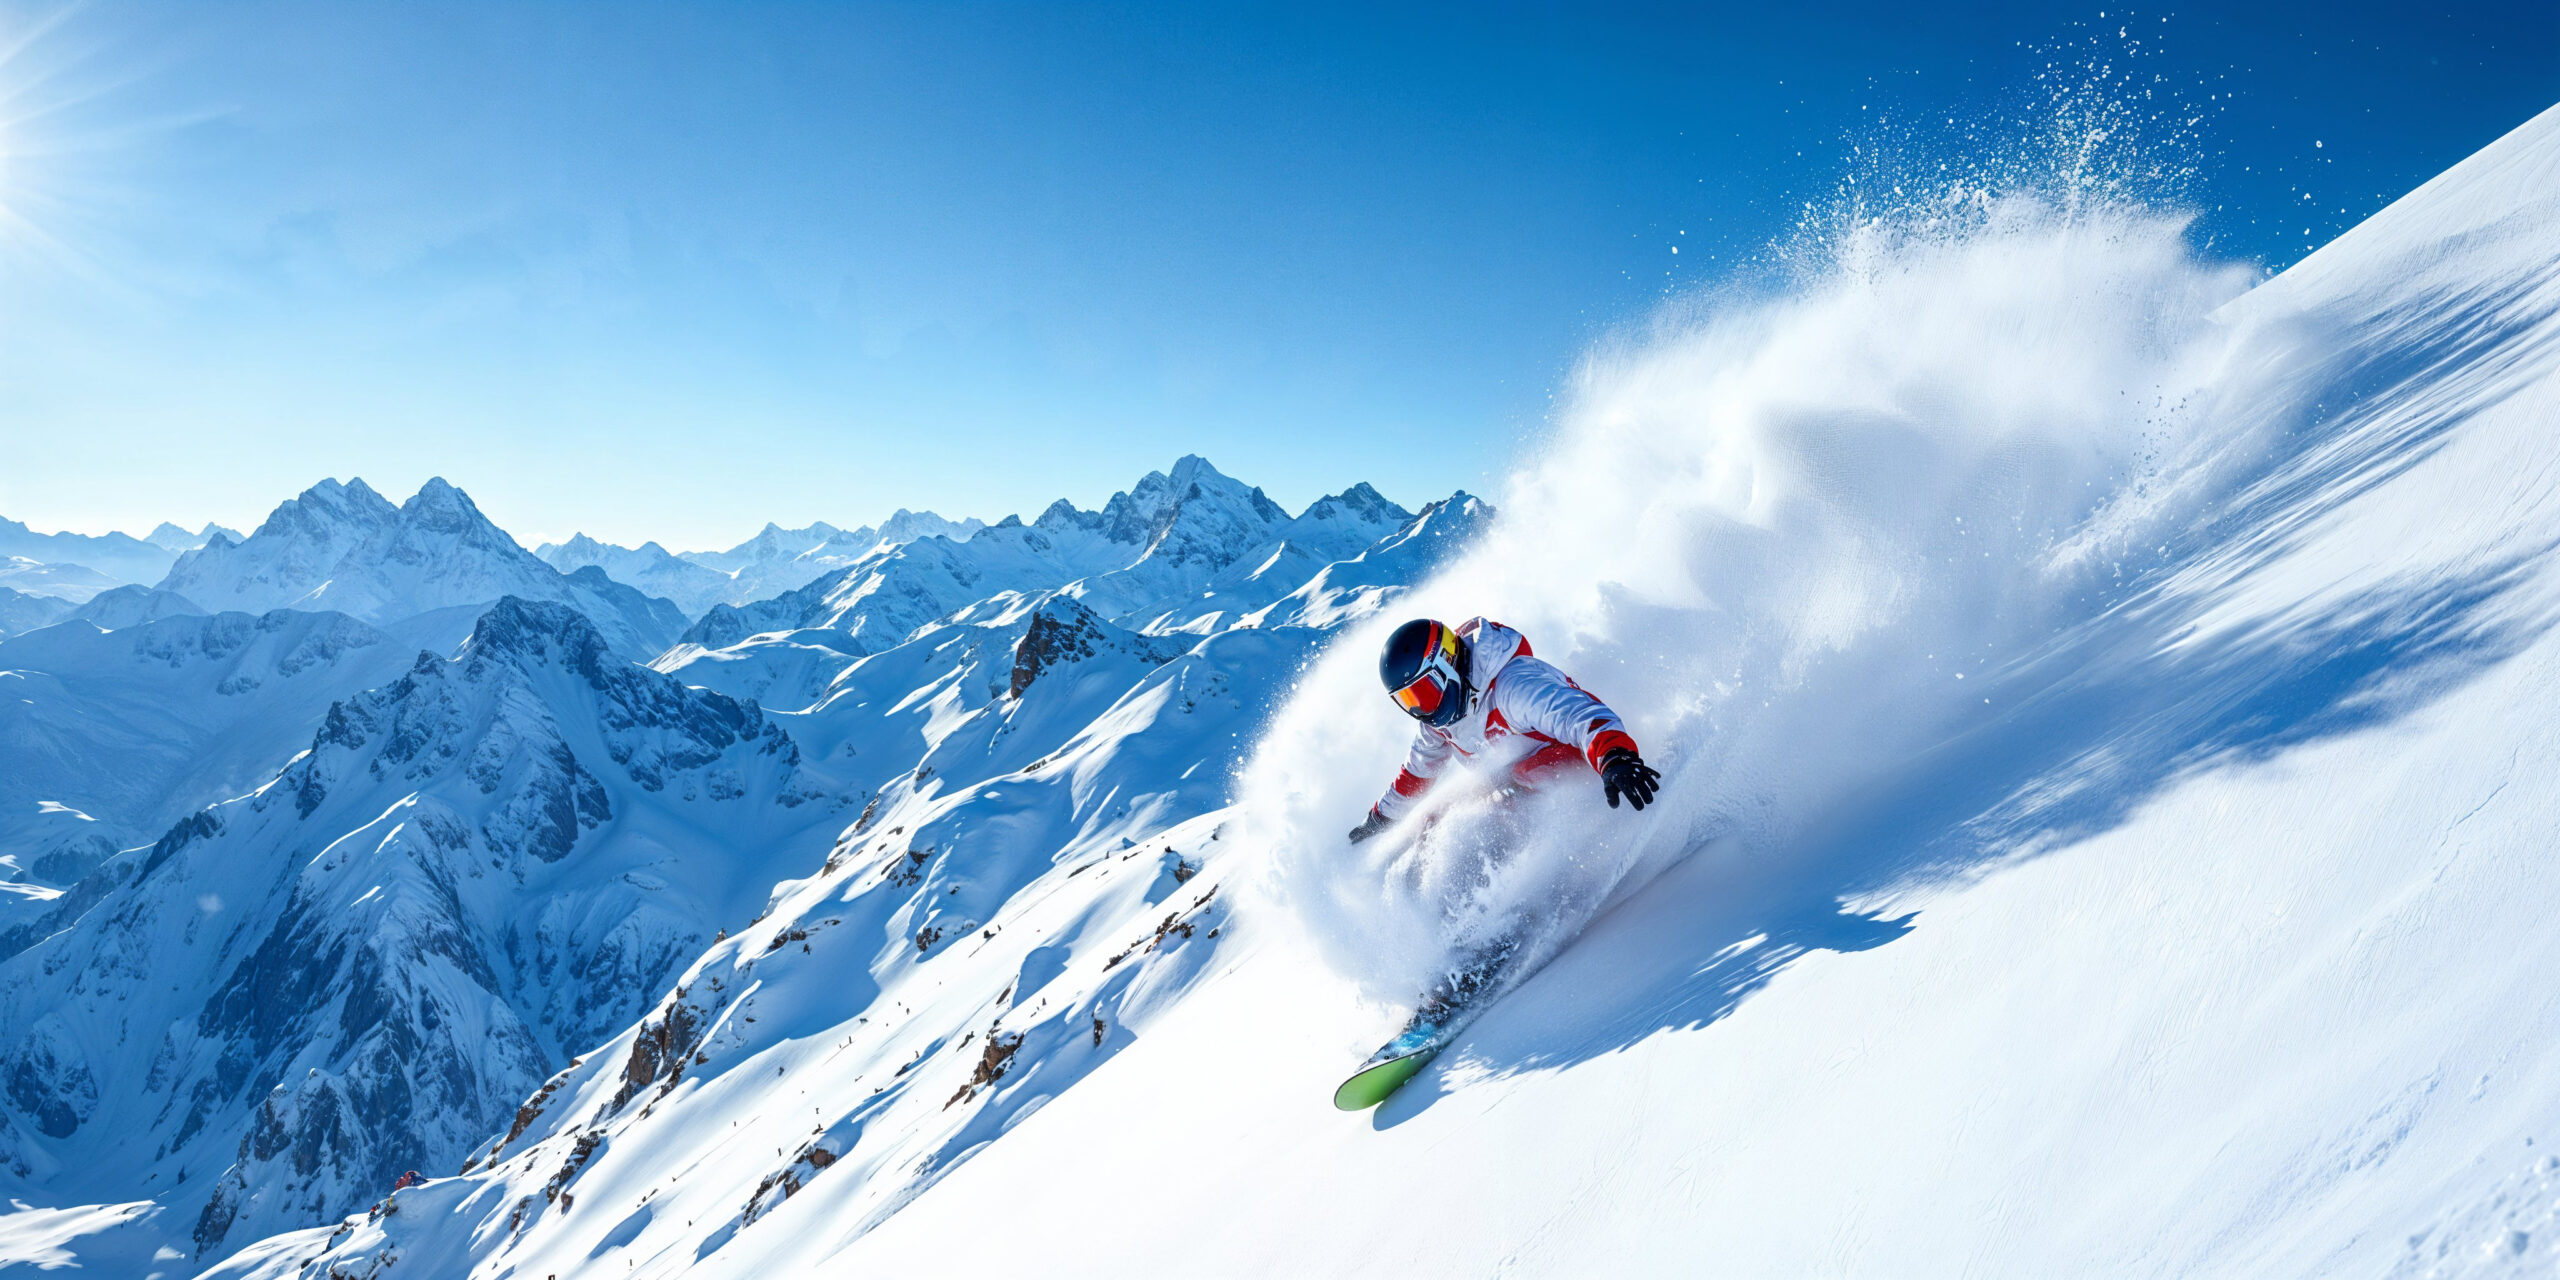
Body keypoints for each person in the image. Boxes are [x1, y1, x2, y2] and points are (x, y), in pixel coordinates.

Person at [1348, 617, 1660, 844]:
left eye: (1424, 692)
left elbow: (1583, 717)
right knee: (1437, 821)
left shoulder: (1513, 687)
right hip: (1516, 785)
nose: (1422, 709)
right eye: (1409, 701)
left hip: (1584, 771)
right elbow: (1417, 773)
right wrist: (1379, 819)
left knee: (1508, 795)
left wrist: (1616, 759)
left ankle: (1539, 892)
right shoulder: (1438, 722)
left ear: (1446, 664)